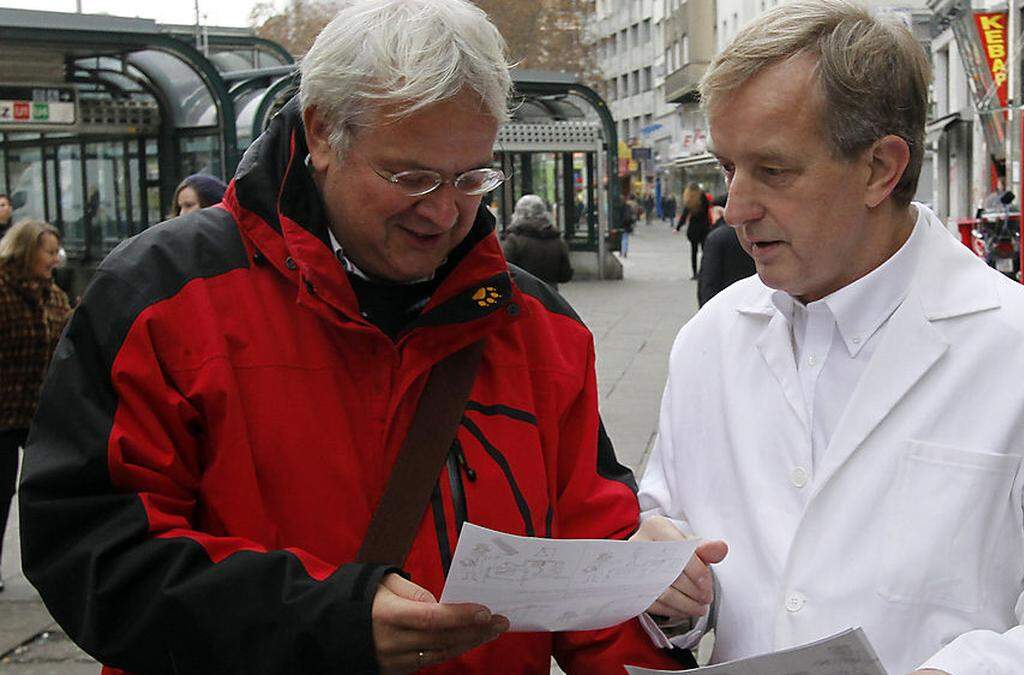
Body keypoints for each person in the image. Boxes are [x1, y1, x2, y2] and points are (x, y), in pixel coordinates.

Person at [19, 1, 693, 673]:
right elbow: (92, 552)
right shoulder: (159, 296)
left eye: (471, 178)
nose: (444, 210)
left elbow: (591, 565)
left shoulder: (537, 324)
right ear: (321, 134)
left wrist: (652, 600)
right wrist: (324, 617)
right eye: (411, 176)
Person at [633, 3, 1024, 674]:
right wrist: (665, 579)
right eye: (728, 168)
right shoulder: (707, 344)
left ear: (879, 169)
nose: (737, 206)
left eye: (772, 171)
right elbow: (672, 530)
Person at [0, 220, 71, 594]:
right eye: (48, 251)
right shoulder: (3, 289)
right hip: (3, 409)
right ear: (27, 251)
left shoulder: (53, 296)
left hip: (37, 411)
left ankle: (60, 563)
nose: (55, 259)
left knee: (54, 484)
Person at [501, 194, 573, 290]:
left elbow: (504, 271)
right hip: (550, 296)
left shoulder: (514, 241)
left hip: (523, 296)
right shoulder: (557, 240)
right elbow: (565, 275)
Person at [696, 195, 755, 307]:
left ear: (719, 211)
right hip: (754, 301)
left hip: (725, 304)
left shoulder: (716, 237)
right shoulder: (753, 233)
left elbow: (708, 280)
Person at [674, 184, 711, 279]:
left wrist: (677, 228)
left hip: (693, 229)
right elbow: (708, 210)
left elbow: (684, 215)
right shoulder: (703, 197)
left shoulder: (689, 200)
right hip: (704, 228)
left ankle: (694, 274)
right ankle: (703, 271)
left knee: (693, 252)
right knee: (705, 251)